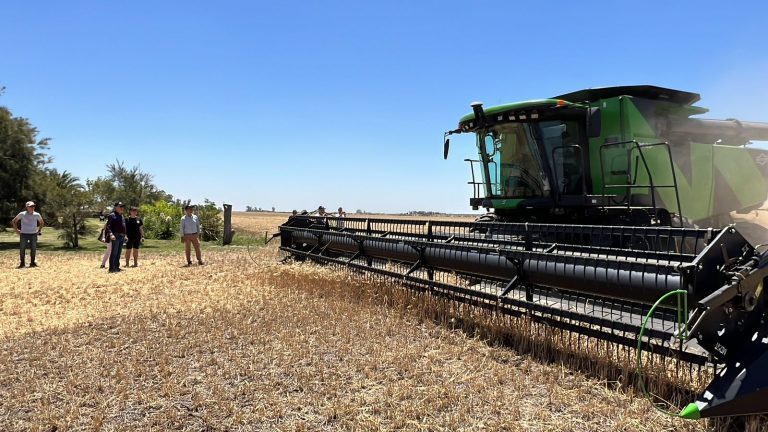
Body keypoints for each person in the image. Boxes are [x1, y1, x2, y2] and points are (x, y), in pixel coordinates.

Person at [11, 201, 44, 268]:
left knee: (33, 249)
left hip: (33, 234)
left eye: (33, 206)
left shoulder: (37, 214)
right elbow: (14, 221)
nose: (32, 208)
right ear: (27, 207)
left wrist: (39, 230)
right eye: (31, 206)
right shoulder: (22, 214)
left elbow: (42, 222)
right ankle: (22, 263)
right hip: (24, 234)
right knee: (22, 249)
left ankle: (32, 262)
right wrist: (16, 230)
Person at [104, 202, 127, 273]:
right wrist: (111, 234)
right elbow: (108, 227)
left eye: (122, 206)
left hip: (121, 236)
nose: (122, 208)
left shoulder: (122, 216)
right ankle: (111, 268)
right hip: (115, 236)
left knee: (119, 252)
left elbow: (123, 226)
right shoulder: (112, 215)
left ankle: (117, 267)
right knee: (114, 252)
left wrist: (125, 235)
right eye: (120, 206)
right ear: (116, 207)